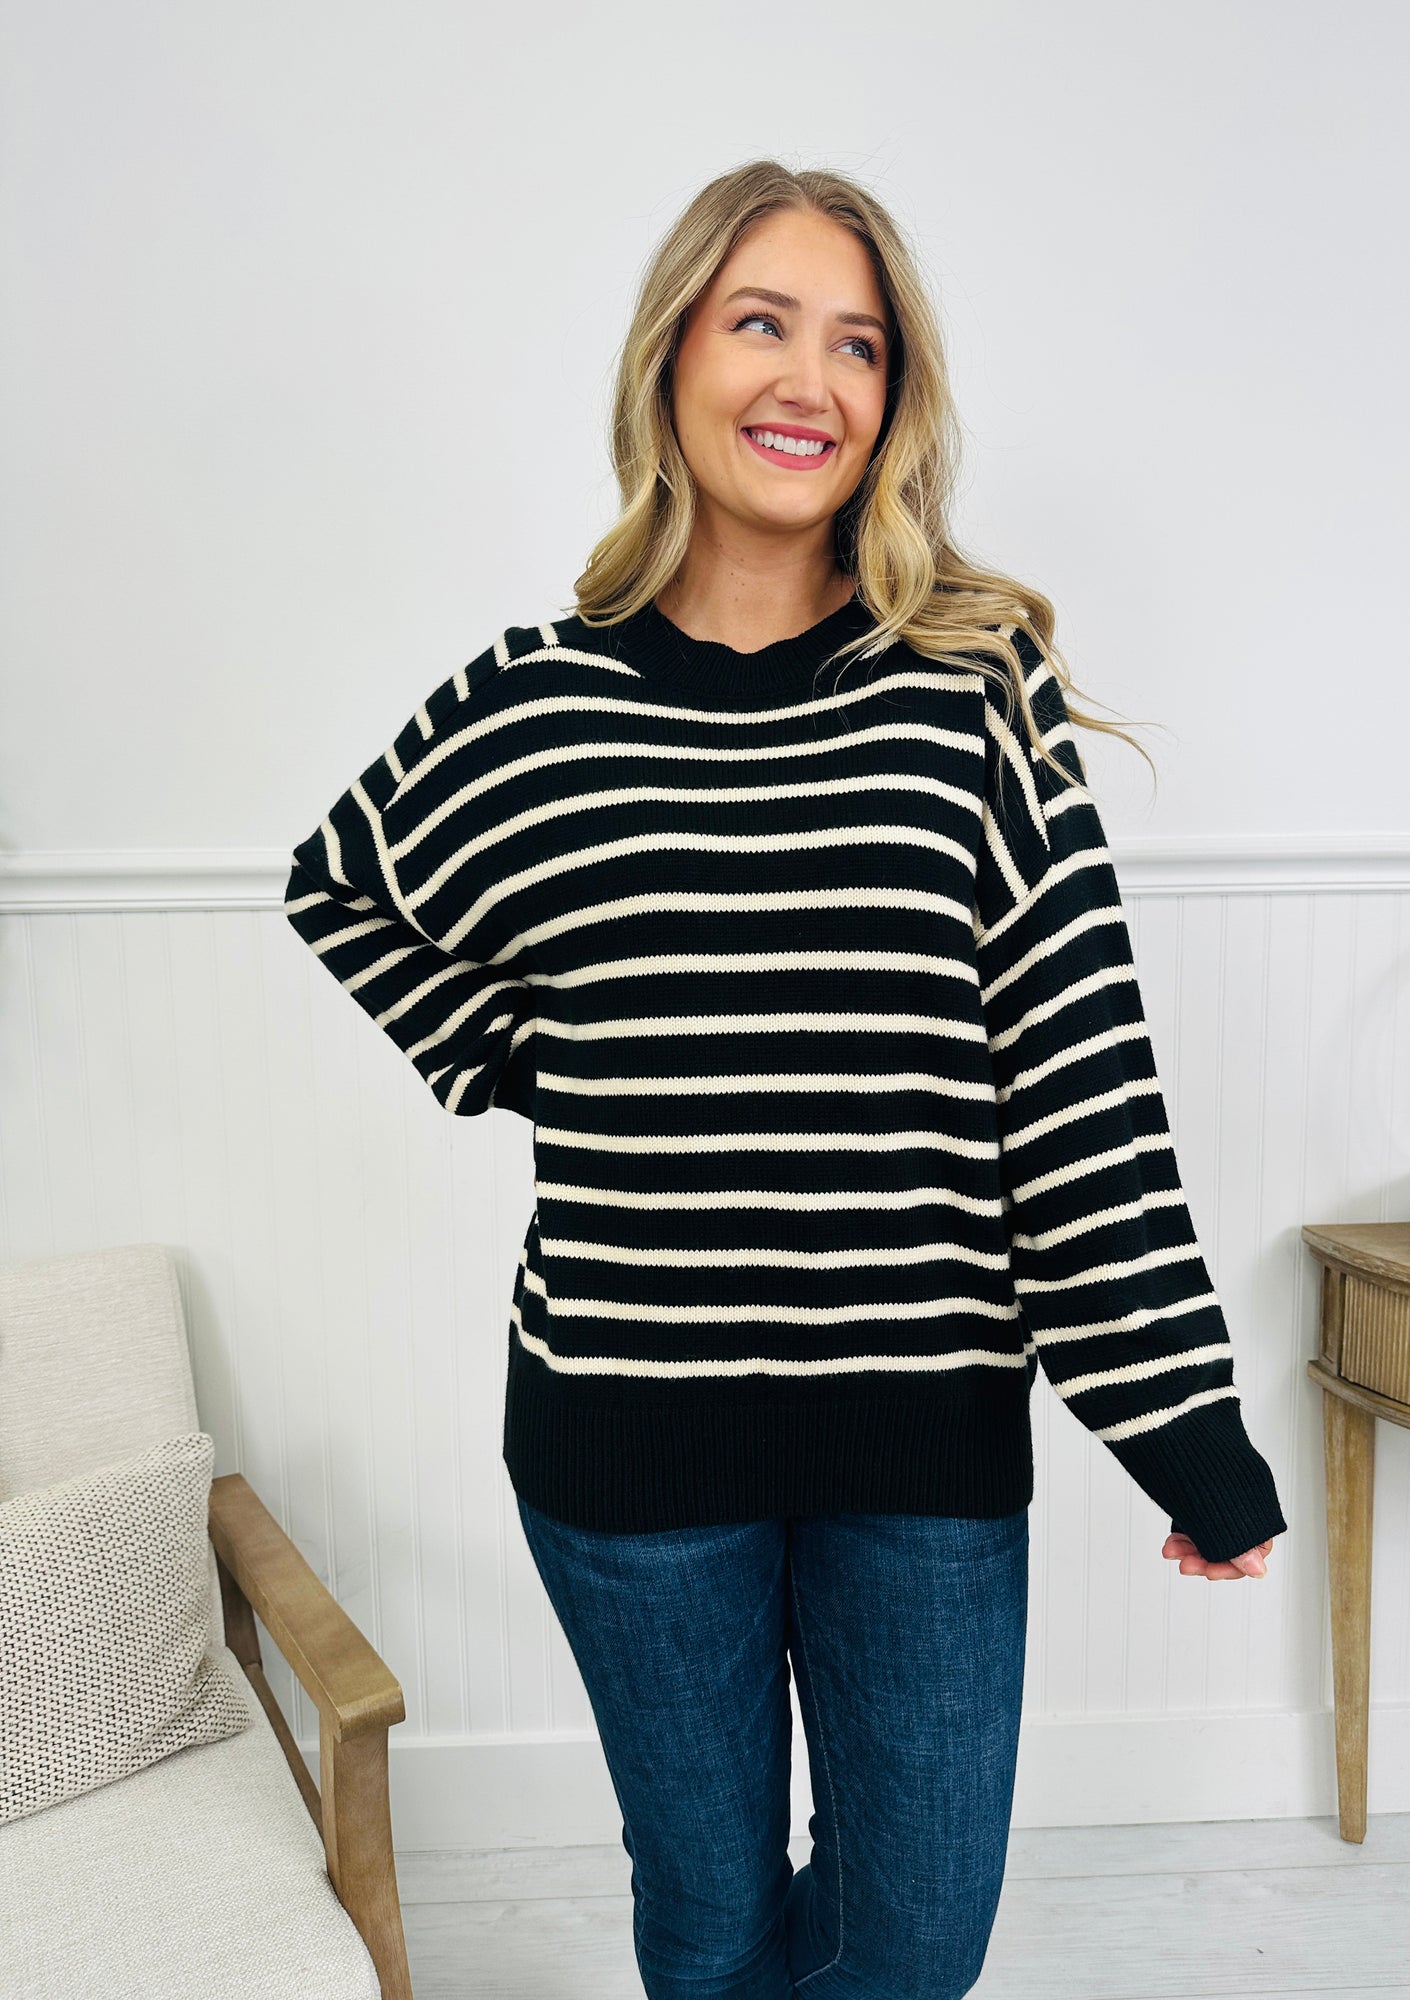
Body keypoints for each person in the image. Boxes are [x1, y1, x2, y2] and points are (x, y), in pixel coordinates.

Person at [283, 160, 1286, 2000]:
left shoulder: (972, 689)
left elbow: (1077, 1079)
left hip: (921, 1438)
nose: (809, 379)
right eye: (762, 323)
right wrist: (537, 1054)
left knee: (915, 1935)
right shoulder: (535, 704)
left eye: (860, 345)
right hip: (627, 1444)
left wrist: (1184, 1431)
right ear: (673, 355)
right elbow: (340, 883)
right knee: (711, 1925)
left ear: (895, 400)